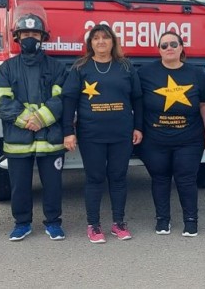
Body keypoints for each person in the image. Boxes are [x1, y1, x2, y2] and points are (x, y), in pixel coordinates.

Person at [62, 24, 143, 244]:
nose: (101, 42)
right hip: (91, 135)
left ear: (112, 42)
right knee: (94, 178)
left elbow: (137, 99)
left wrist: (138, 127)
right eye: (96, 38)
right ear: (90, 44)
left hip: (121, 134)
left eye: (105, 38)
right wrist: (68, 132)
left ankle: (119, 224)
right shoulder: (81, 67)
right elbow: (69, 100)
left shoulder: (125, 67)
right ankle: (94, 225)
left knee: (118, 178)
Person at [0, 6, 67, 241]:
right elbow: (1, 102)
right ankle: (22, 223)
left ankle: (54, 223)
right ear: (17, 38)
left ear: (43, 38)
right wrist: (29, 120)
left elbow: (62, 98)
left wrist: (42, 118)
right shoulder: (7, 68)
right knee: (19, 186)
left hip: (50, 140)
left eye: (34, 35)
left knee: (53, 186)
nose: (30, 39)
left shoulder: (57, 67)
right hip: (19, 140)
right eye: (25, 36)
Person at [137, 31, 205, 237]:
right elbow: (137, 103)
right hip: (154, 139)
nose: (169, 48)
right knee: (159, 178)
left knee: (186, 179)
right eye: (164, 45)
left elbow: (203, 104)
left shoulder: (197, 74)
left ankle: (191, 220)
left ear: (181, 47)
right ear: (158, 50)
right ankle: (162, 220)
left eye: (173, 44)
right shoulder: (145, 73)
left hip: (189, 139)